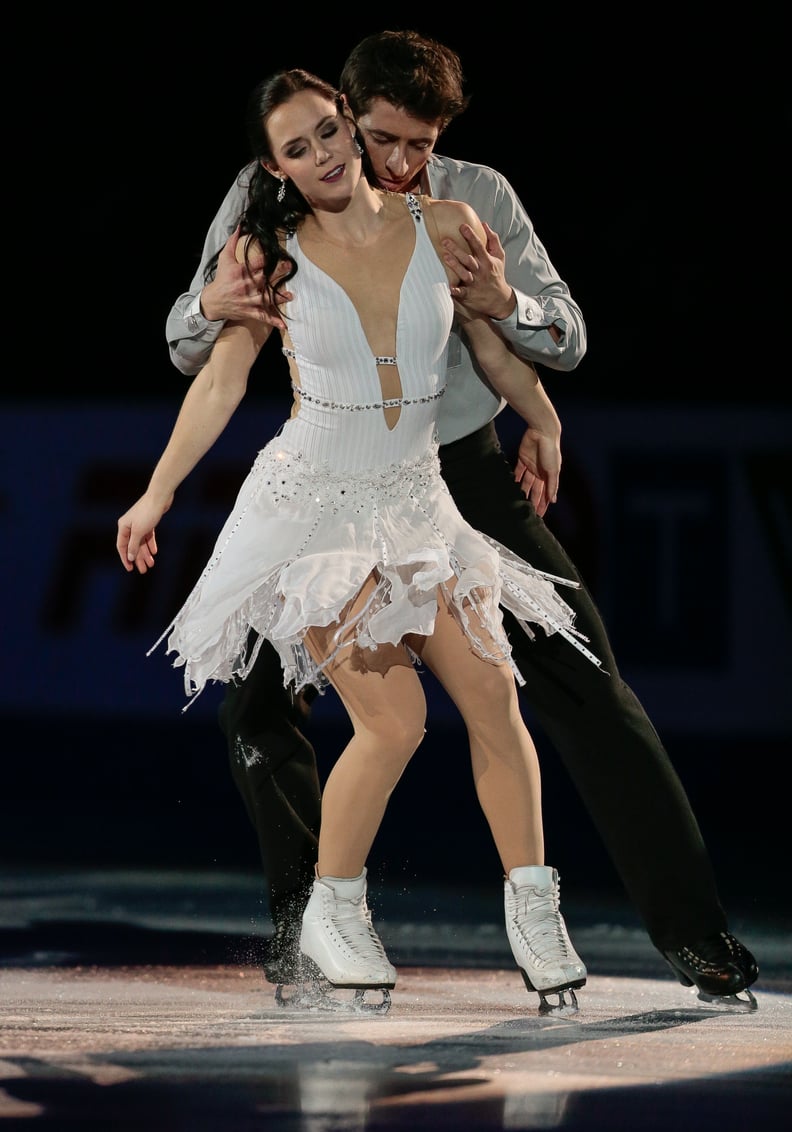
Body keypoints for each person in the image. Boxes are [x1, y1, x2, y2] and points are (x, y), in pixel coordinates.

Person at [164, 31, 759, 1006]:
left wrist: (507, 300)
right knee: (262, 702)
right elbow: (196, 345)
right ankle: (308, 913)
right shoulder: (269, 190)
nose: (399, 165)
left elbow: (559, 334)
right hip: (334, 484)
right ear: (342, 115)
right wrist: (208, 301)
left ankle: (694, 932)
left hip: (459, 478)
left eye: (420, 145)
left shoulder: (473, 199)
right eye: (383, 139)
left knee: (584, 680)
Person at [118, 67, 598, 1013]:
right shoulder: (271, 256)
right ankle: (333, 908)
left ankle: (534, 911)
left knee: (496, 694)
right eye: (299, 149)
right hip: (320, 510)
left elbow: (492, 345)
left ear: (351, 123)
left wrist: (541, 420)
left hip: (418, 499)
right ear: (277, 166)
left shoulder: (450, 226)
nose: (326, 155)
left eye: (332, 132)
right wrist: (156, 492)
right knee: (394, 723)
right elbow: (218, 384)